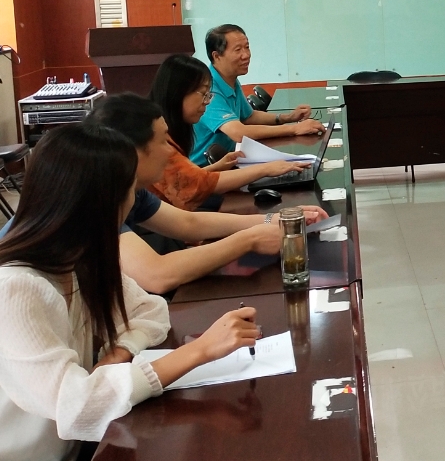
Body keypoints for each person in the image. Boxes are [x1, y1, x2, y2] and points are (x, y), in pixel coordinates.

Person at [0, 124, 260, 461]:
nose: (134, 200)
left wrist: (119, 352)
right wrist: (199, 350)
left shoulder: (80, 260)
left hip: (81, 443)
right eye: (130, 190)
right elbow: (77, 406)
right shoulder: (16, 288)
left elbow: (151, 310)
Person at [86, 94, 328, 295]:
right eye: (162, 142)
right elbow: (157, 275)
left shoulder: (131, 188)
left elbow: (188, 223)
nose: (170, 152)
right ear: (132, 152)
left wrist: (274, 219)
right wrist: (249, 239)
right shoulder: (96, 200)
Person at [149, 54, 312, 211]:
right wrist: (266, 169)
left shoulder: (173, 129)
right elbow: (196, 188)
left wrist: (216, 167)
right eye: (203, 94)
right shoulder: (158, 141)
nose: (207, 102)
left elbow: (184, 179)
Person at [191, 24, 326, 163]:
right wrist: (294, 129)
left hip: (228, 160)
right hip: (204, 168)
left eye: (247, 47)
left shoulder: (230, 78)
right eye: (238, 50)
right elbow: (238, 133)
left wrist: (287, 117)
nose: (246, 55)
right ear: (217, 56)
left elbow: (249, 116)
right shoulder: (208, 89)